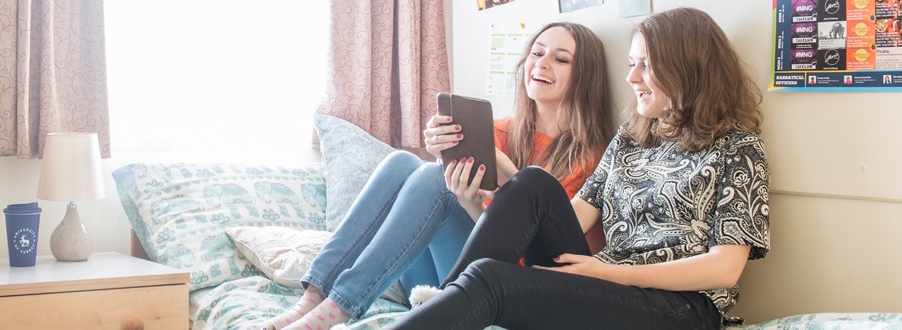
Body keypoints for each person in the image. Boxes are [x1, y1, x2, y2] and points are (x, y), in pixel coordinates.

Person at [386, 7, 769, 329]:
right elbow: (561, 216)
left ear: (688, 70)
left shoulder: (736, 148)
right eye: (632, 64)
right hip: (609, 284)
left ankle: (439, 308)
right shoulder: (630, 141)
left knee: (493, 281)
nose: (631, 77)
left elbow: (724, 268)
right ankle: (444, 302)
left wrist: (608, 273)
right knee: (534, 182)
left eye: (646, 66)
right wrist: (485, 194)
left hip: (680, 307)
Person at [264, 22, 615, 330]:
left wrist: (478, 195)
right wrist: (443, 153)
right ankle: (316, 295)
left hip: (498, 287)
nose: (542, 63)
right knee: (404, 163)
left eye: (561, 58)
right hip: (431, 283)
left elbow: (526, 258)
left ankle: (340, 306)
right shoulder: (494, 131)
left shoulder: (591, 159)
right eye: (537, 53)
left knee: (433, 180)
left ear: (585, 76)